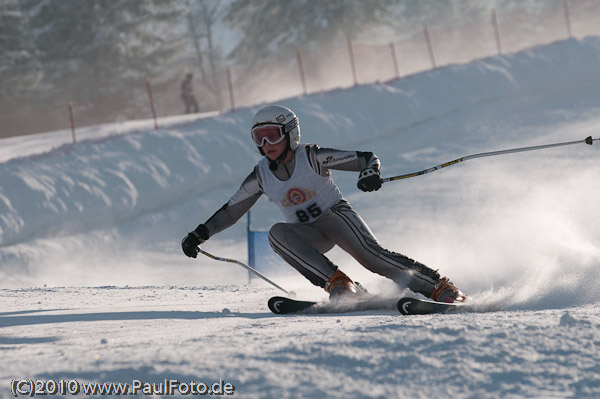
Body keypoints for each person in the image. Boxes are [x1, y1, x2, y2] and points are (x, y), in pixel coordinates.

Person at [181, 105, 466, 303]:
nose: (267, 143)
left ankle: (439, 286)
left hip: (336, 217)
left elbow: (366, 158)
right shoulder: (261, 175)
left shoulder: (311, 156)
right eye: (260, 137)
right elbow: (231, 210)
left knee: (372, 258)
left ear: (290, 133)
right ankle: (340, 284)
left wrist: (369, 173)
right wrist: (200, 234)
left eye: (273, 135)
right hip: (308, 233)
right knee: (277, 234)